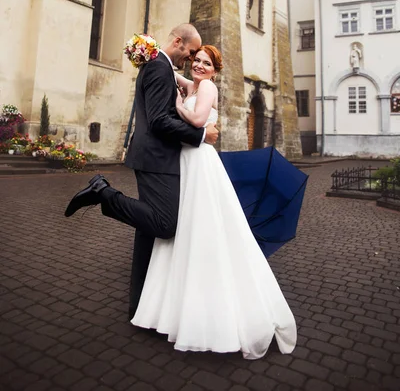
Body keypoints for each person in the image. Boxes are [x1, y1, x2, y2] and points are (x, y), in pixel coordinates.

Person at [131, 45, 297, 360]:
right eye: (197, 61)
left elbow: (196, 120)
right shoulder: (193, 83)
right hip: (185, 161)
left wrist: (179, 105)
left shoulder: (206, 87)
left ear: (215, 70)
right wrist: (147, 51)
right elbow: (170, 73)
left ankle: (206, 307)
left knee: (202, 226)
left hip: (199, 161)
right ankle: (172, 306)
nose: (200, 66)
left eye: (207, 63)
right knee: (184, 226)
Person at [64, 24, 219, 318]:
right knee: (164, 224)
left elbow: (178, 95)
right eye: (190, 52)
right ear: (178, 41)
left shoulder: (160, 65)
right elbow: (160, 121)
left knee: (148, 229)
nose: (191, 59)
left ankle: (141, 301)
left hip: (157, 158)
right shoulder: (160, 67)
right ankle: (103, 192)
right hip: (157, 159)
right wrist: (201, 136)